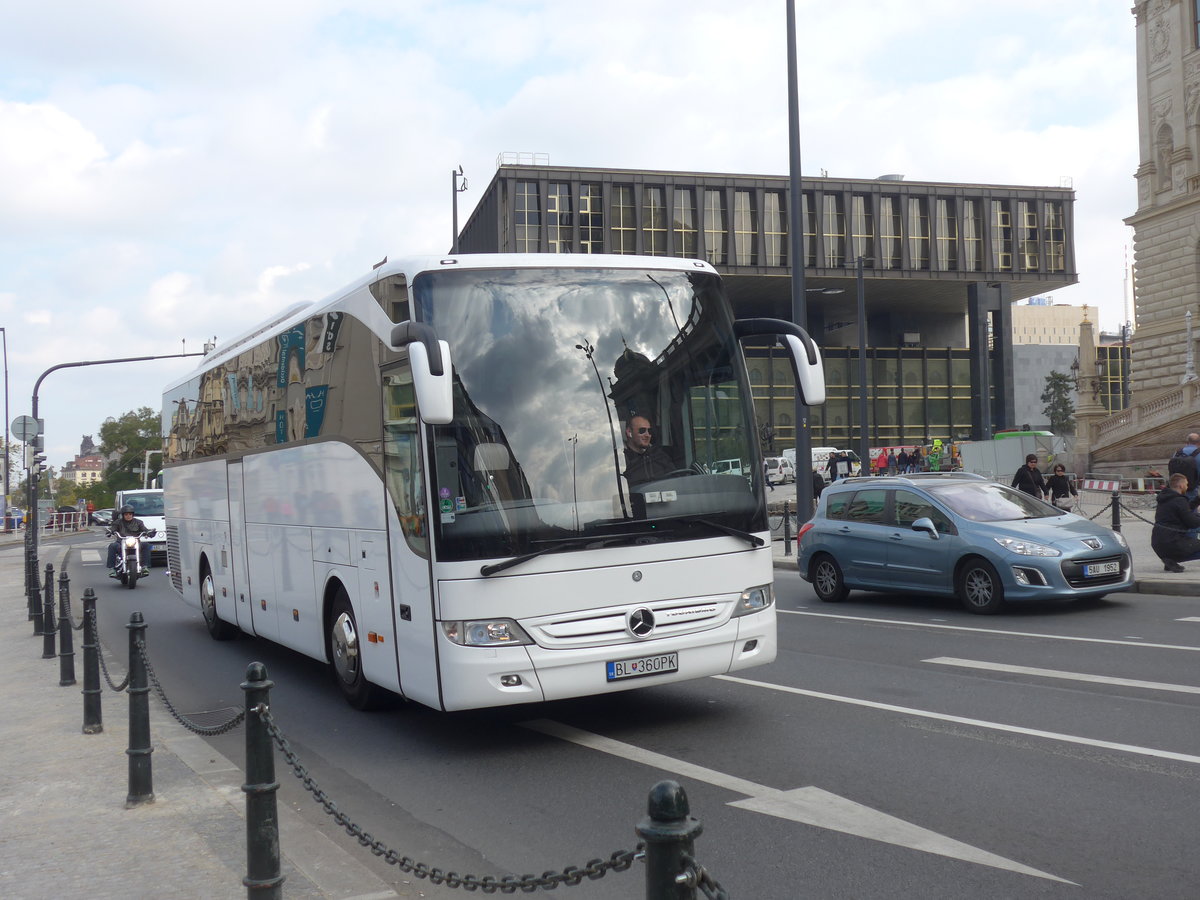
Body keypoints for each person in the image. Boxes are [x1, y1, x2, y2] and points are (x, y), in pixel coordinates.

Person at [1151, 472, 1200, 572]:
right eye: (1186, 484)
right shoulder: (1179, 500)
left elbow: (1184, 511)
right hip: (1173, 542)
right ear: (1181, 485)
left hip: (1159, 543)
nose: (1187, 487)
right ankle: (1171, 559)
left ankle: (1170, 560)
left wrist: (1197, 500)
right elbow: (1192, 523)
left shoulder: (1166, 498)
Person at [622, 415, 676, 484]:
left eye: (649, 431)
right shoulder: (621, 460)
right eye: (642, 430)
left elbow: (675, 479)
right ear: (629, 432)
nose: (647, 435)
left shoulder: (660, 456)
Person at [1168, 432, 1200, 537]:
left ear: (1187, 442)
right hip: (1191, 490)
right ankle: (1191, 540)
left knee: (1178, 514)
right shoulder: (1199, 454)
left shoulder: (1177, 453)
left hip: (1176, 490)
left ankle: (1179, 536)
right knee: (1191, 516)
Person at [106, 504, 151, 576]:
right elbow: (113, 528)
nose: (128, 516)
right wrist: (110, 531)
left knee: (146, 545)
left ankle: (144, 567)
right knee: (112, 546)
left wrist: (148, 532)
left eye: (130, 514)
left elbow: (144, 529)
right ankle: (112, 568)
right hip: (121, 542)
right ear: (123, 515)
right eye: (126, 514)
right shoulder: (118, 522)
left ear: (133, 514)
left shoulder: (139, 522)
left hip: (136, 543)